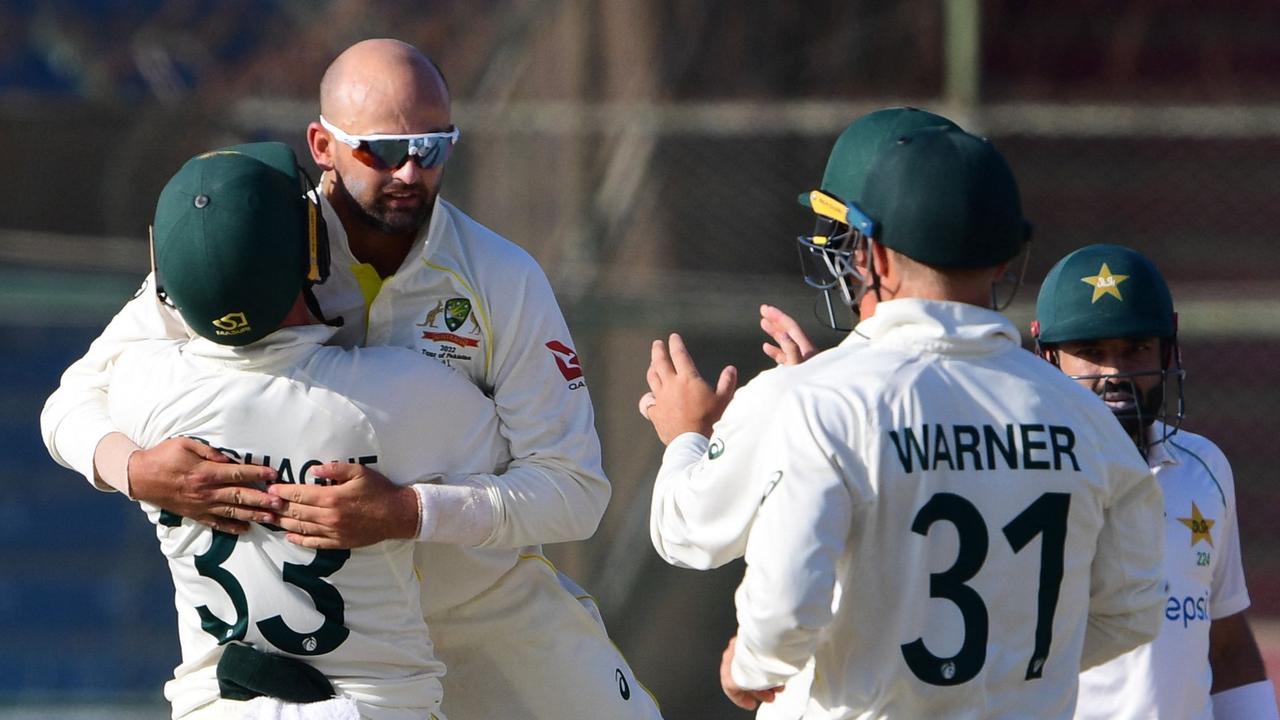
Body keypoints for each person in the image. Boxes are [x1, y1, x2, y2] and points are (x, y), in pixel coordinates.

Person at [41, 38, 660, 719]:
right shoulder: (254, 241)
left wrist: (409, 513)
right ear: (322, 144)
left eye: (432, 147)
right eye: (381, 150)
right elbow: (73, 400)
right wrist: (132, 470)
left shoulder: (501, 278)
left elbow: (573, 491)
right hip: (317, 655)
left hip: (483, 618)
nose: (409, 172)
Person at [654, 126, 1166, 718]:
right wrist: (1003, 667)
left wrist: (751, 665)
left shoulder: (823, 404)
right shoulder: (1086, 418)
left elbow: (785, 606)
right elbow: (1132, 610)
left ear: (869, 255)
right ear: (1007, 260)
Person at [113, 142, 509, 719]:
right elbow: (518, 465)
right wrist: (404, 507)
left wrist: (130, 470)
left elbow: (69, 410)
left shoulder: (139, 391)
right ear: (312, 252)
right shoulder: (397, 393)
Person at [642, 107, 959, 718]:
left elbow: (686, 529)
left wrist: (688, 435)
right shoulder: (1038, 400)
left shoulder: (798, 399)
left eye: (840, 232)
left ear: (871, 253)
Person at [1033, 243, 1279, 720]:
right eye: (1090, 352)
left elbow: (1225, 642)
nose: (1116, 374)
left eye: (1136, 349)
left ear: (1168, 351)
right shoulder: (1018, 476)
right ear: (1048, 358)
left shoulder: (1203, 466)